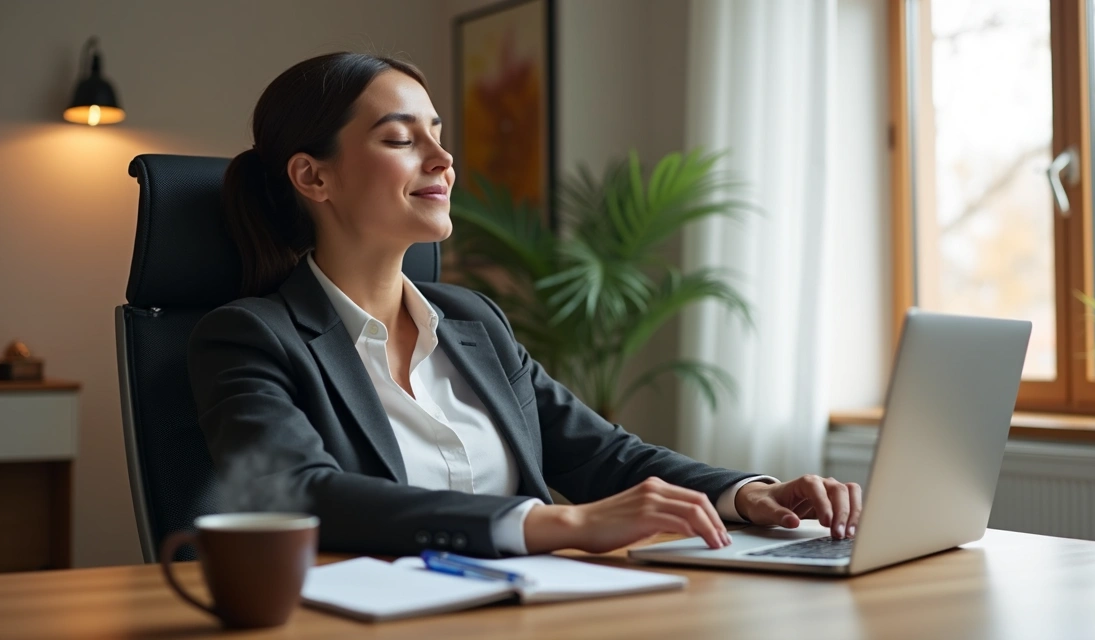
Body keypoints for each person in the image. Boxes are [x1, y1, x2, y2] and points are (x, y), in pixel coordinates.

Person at [188, 52, 862, 558]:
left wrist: (747, 494)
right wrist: (554, 522)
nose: (443, 159)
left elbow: (604, 456)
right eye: (400, 140)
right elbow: (301, 492)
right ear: (313, 176)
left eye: (438, 133)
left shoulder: (474, 322)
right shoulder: (249, 337)